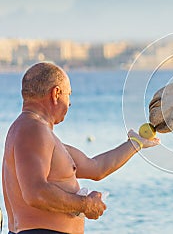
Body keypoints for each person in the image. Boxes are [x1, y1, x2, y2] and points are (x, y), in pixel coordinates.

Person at [2, 62, 160, 234]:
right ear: (56, 94)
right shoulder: (32, 130)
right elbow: (35, 192)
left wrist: (136, 143)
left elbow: (96, 168)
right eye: (69, 95)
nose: (69, 104)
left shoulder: (40, 134)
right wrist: (85, 205)